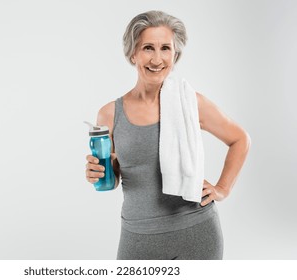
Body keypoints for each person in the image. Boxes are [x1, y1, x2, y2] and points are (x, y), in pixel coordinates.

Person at [85, 10, 251, 260]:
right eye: (148, 48)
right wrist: (99, 171)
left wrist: (222, 189)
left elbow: (240, 139)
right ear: (133, 53)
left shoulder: (191, 104)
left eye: (165, 48)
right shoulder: (109, 114)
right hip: (138, 236)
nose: (157, 59)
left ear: (175, 55)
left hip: (197, 232)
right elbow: (115, 175)